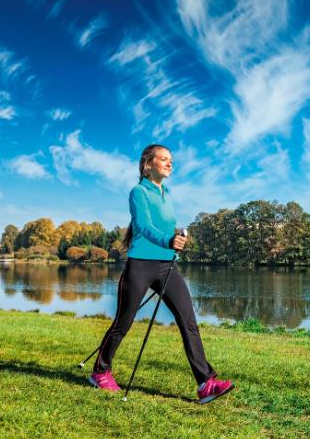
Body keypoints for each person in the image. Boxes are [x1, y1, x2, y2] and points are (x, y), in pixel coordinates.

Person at [89, 144, 234, 404]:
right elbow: (143, 226)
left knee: (188, 321)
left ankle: (205, 383)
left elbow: (165, 227)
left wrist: (176, 238)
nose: (170, 164)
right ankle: (100, 372)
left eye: (171, 160)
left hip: (167, 266)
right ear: (148, 164)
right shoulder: (138, 192)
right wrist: (168, 240)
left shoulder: (167, 194)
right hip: (140, 266)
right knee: (123, 323)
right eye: (164, 159)